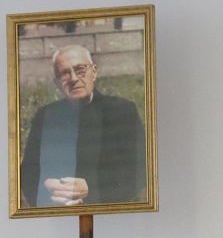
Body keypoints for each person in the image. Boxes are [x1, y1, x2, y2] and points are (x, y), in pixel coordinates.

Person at [19, 44, 146, 207]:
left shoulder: (122, 111)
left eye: (80, 69)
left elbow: (140, 169)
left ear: (94, 72)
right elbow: (28, 173)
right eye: (65, 73)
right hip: (58, 211)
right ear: (57, 83)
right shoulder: (45, 116)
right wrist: (47, 188)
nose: (73, 78)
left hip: (107, 211)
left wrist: (90, 188)